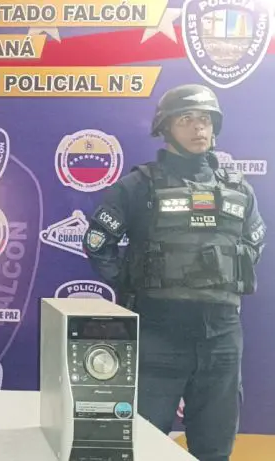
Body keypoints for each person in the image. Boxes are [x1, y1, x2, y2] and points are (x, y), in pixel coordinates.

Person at [82, 84, 266, 461]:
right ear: (165, 127)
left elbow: (255, 241)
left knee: (215, 449)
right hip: (159, 332)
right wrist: (133, 282)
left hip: (222, 335)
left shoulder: (238, 189)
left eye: (205, 120)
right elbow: (98, 242)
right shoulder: (138, 186)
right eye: (186, 119)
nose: (199, 128)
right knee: (145, 445)